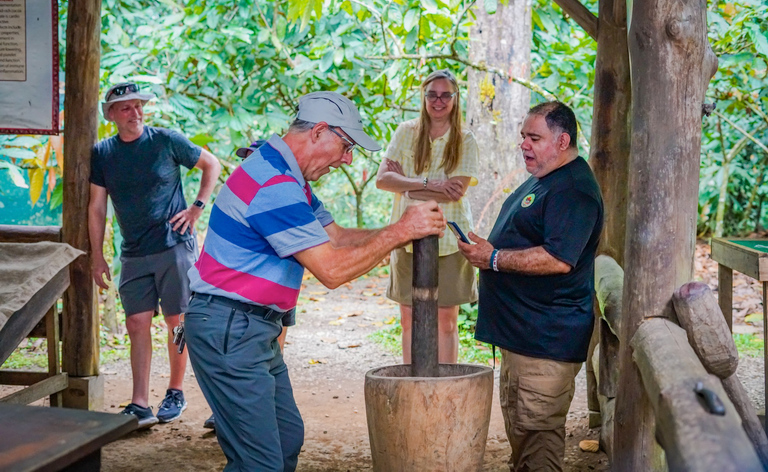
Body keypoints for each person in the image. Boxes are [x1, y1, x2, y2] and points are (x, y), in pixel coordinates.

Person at [184, 91, 446, 472]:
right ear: (320, 131)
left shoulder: (289, 178)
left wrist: (401, 229)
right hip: (230, 327)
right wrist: (401, 231)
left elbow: (336, 237)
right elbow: (332, 270)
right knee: (260, 463)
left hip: (249, 327)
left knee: (286, 437)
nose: (346, 160)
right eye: (345, 147)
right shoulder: (274, 183)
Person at [458, 101, 604, 472]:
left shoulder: (574, 189)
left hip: (545, 340)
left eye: (534, 137)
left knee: (538, 444)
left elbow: (558, 258)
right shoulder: (546, 177)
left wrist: (493, 259)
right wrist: (490, 250)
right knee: (524, 437)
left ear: (562, 140)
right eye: (523, 136)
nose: (524, 144)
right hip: (524, 336)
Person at [89, 82, 221, 428]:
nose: (135, 113)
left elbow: (212, 165)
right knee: (136, 323)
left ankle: (175, 392)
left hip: (173, 246)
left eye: (138, 106)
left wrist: (196, 208)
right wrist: (96, 255)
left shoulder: (166, 140)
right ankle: (140, 404)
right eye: (126, 108)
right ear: (112, 115)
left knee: (178, 322)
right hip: (133, 252)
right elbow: (96, 207)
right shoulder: (103, 153)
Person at [376, 69, 479, 364]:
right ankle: (413, 384)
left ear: (455, 99)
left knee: (445, 321)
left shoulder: (465, 139)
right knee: (408, 320)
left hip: (449, 241)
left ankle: (445, 389)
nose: (438, 100)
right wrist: (429, 185)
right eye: (432, 94)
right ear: (423, 97)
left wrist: (406, 186)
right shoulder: (406, 132)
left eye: (446, 94)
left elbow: (455, 193)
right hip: (406, 238)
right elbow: (383, 180)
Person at [201, 139, 295, 432]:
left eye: (255, 158)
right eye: (247, 158)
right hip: (238, 306)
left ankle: (253, 399)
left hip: (273, 293)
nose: (250, 164)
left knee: (276, 335)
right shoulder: (245, 193)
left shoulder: (279, 193)